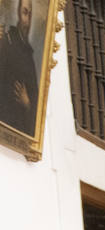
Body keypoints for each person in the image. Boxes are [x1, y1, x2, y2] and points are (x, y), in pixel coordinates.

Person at [0, 0, 37, 135]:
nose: (28, 20)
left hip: (21, 129)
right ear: (18, 14)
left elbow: (35, 95)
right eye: (25, 13)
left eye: (30, 14)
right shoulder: (7, 42)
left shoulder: (28, 54)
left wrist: (27, 103)